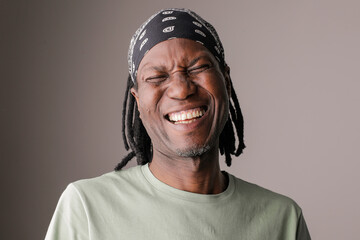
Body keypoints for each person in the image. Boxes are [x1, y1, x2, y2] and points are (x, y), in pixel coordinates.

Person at [45, 8, 311, 240]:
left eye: (197, 68)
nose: (181, 89)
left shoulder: (283, 220)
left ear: (226, 82)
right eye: (157, 77)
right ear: (137, 101)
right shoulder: (86, 209)